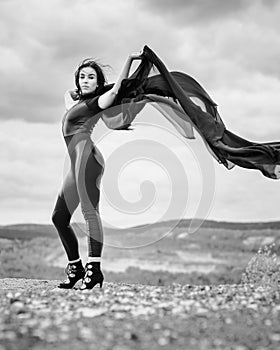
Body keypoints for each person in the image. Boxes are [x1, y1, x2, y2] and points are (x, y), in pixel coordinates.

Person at [51, 51, 142, 290]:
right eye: (82, 77)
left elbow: (114, 92)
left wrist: (129, 62)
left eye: (91, 77)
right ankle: (76, 267)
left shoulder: (97, 103)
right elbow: (67, 93)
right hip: (74, 163)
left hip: (88, 159)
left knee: (89, 212)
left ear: (98, 83)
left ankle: (94, 269)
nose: (85, 80)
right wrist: (85, 87)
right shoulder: (76, 102)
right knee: (59, 218)